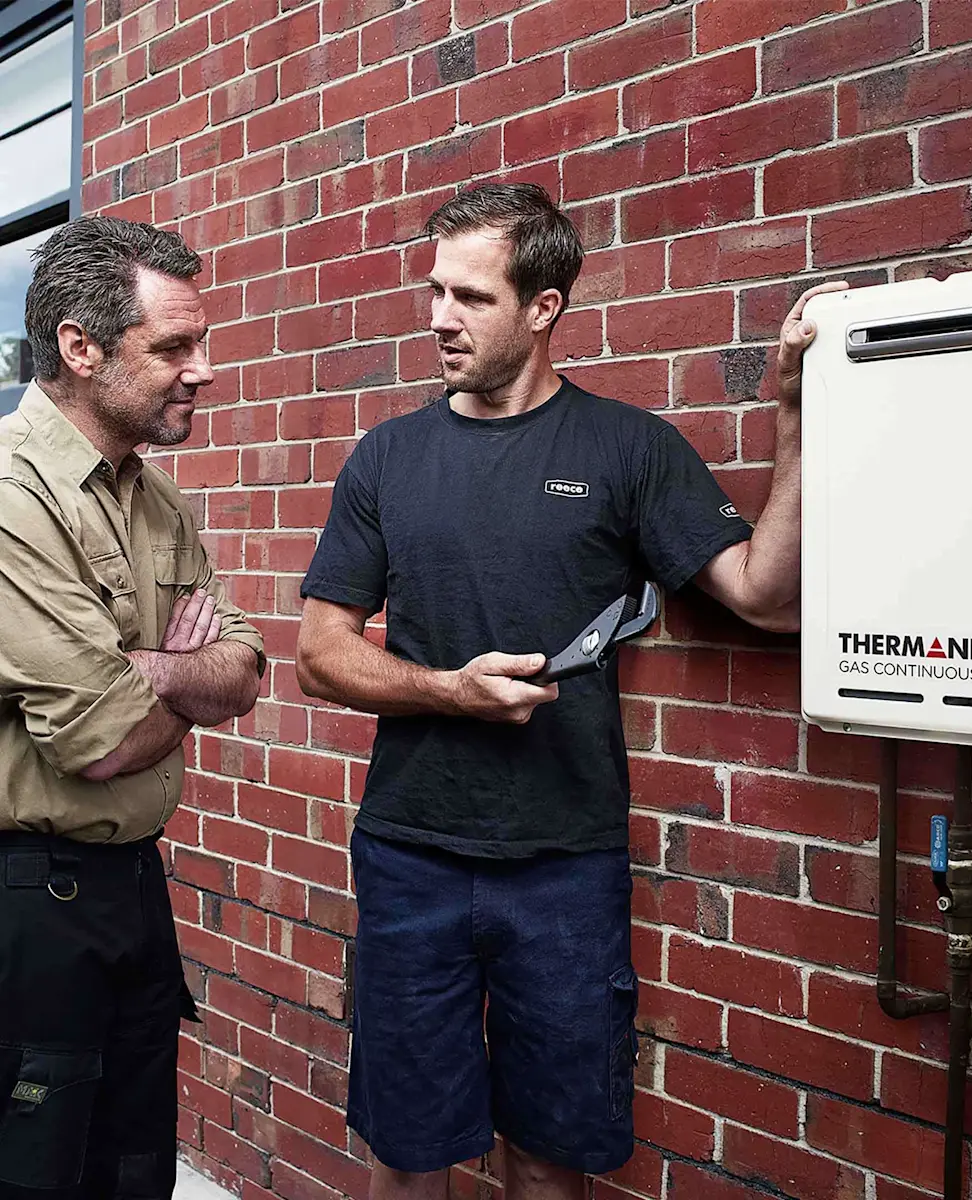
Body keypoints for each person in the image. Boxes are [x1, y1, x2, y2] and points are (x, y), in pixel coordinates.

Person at [296, 183, 844, 1200]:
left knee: (551, 1155)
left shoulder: (626, 450)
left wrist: (791, 412)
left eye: (470, 298)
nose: (439, 318)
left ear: (544, 307)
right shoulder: (388, 458)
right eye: (433, 292)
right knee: (409, 1149)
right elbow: (320, 652)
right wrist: (447, 692)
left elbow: (766, 601)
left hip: (566, 865)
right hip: (411, 853)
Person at [0, 217, 265, 1200]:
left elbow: (246, 668)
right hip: (28, 903)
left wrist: (153, 670)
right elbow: (100, 740)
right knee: (38, 1171)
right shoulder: (10, 494)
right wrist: (183, 666)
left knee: (133, 1164)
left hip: (132, 889)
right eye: (173, 347)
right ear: (81, 347)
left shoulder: (156, 501)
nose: (202, 370)